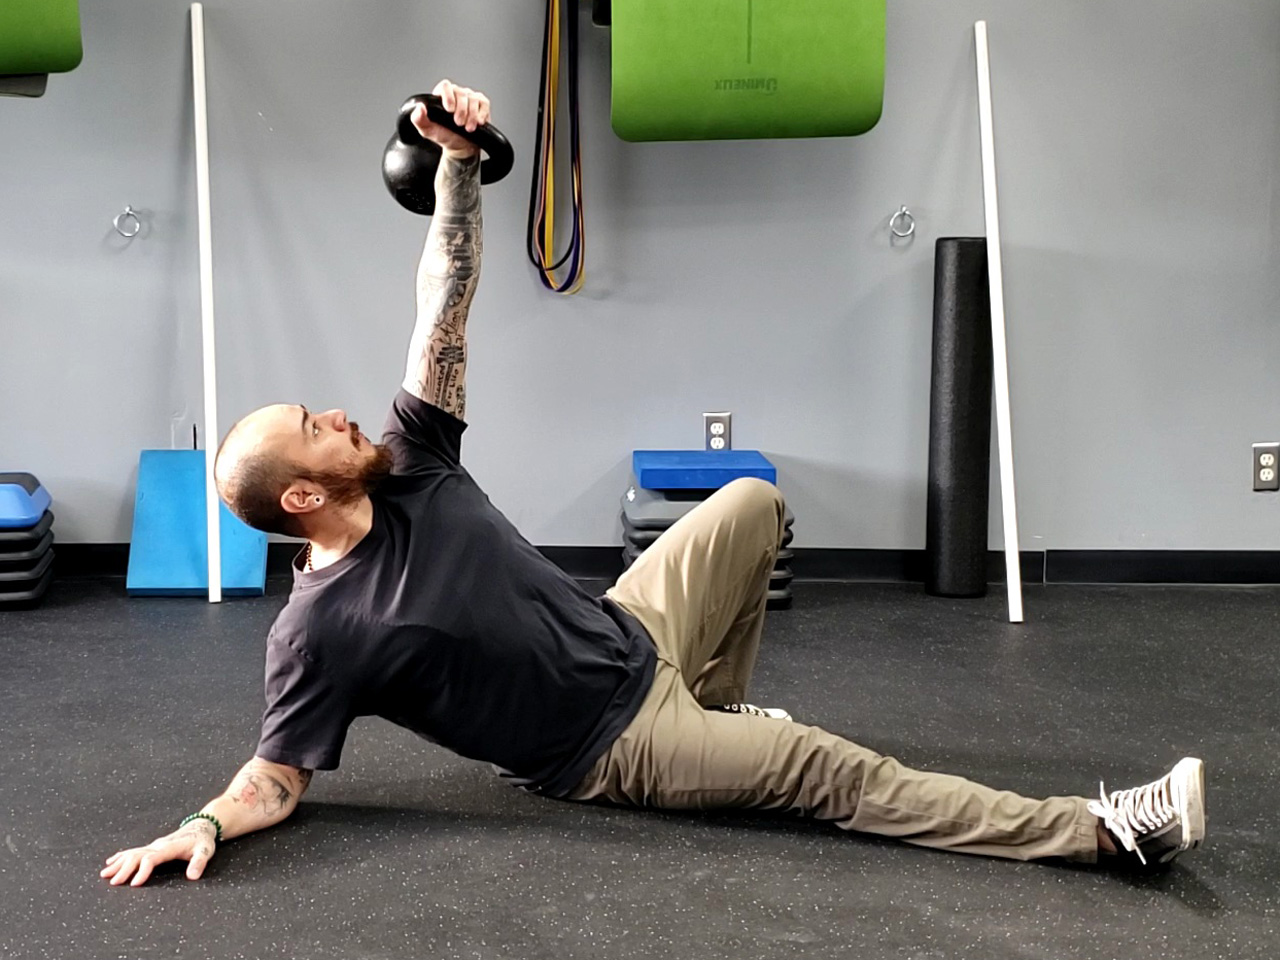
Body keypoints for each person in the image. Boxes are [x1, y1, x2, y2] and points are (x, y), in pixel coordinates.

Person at [100, 80, 1206, 888]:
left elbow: (442, 300)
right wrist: (201, 821)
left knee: (750, 505)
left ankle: (720, 713)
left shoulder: (411, 463)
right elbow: (277, 775)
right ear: (300, 496)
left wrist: (455, 172)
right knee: (831, 771)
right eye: (314, 428)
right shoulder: (315, 632)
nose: (337, 415)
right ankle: (1103, 835)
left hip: (628, 630)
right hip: (607, 746)